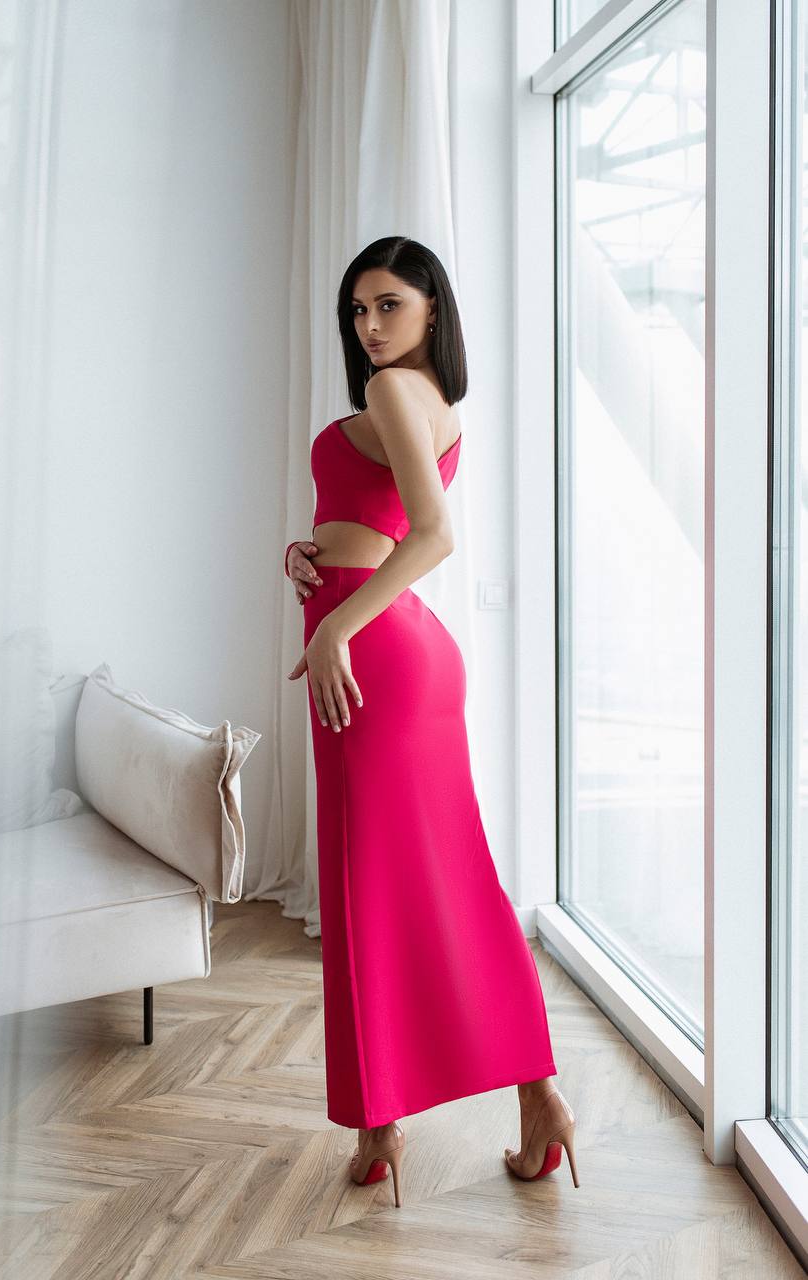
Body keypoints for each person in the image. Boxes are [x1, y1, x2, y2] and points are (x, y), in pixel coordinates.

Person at [284, 235, 579, 1207]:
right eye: (357, 309)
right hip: (390, 644)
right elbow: (372, 518)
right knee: (429, 876)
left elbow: (434, 533)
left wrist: (335, 628)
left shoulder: (392, 393)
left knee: (384, 885)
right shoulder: (420, 397)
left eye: (388, 306)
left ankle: (397, 1120)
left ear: (431, 311)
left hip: (376, 658)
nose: (368, 325)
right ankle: (506, 1103)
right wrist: (311, 556)